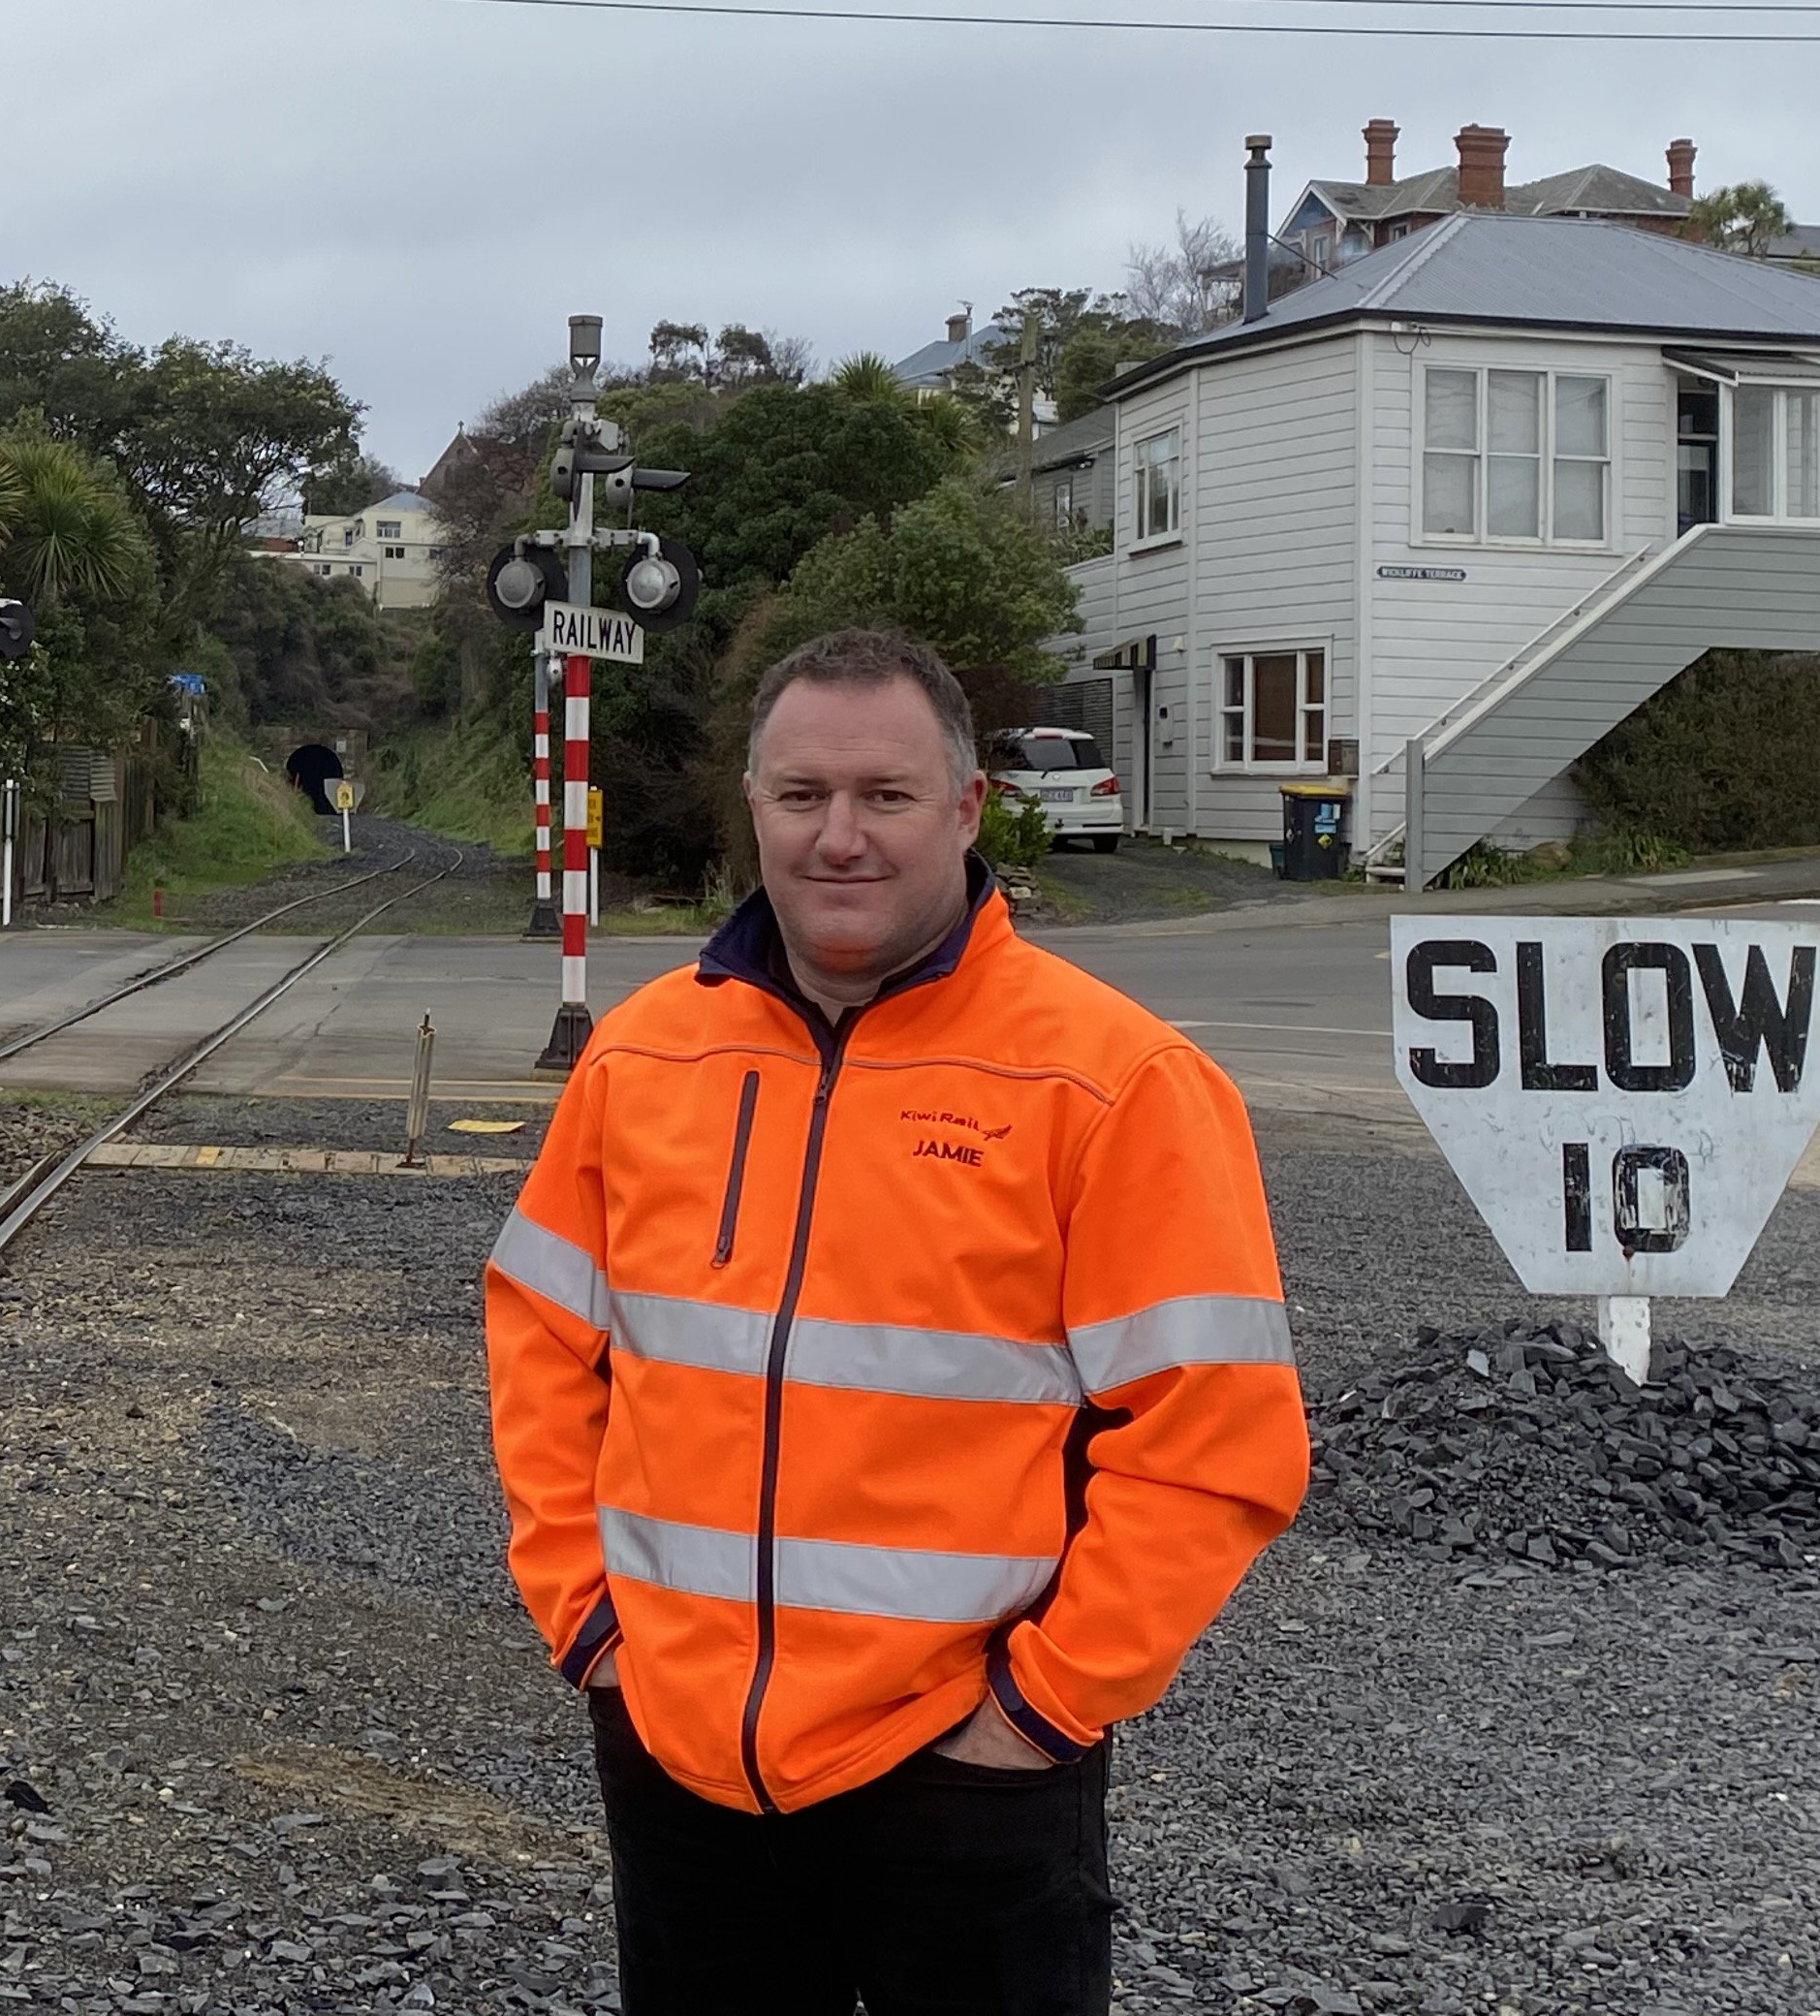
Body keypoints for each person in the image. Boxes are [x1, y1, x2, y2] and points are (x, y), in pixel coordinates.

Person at [485, 626, 1306, 2013]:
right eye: (801, 797)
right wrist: (590, 1621)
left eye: (886, 796)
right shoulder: (642, 1057)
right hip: (682, 1753)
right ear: (753, 808)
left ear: (968, 808)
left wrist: (1042, 1707)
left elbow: (1217, 1440)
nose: (839, 837)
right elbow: (541, 1342)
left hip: (968, 1774)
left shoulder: (1115, 1084)